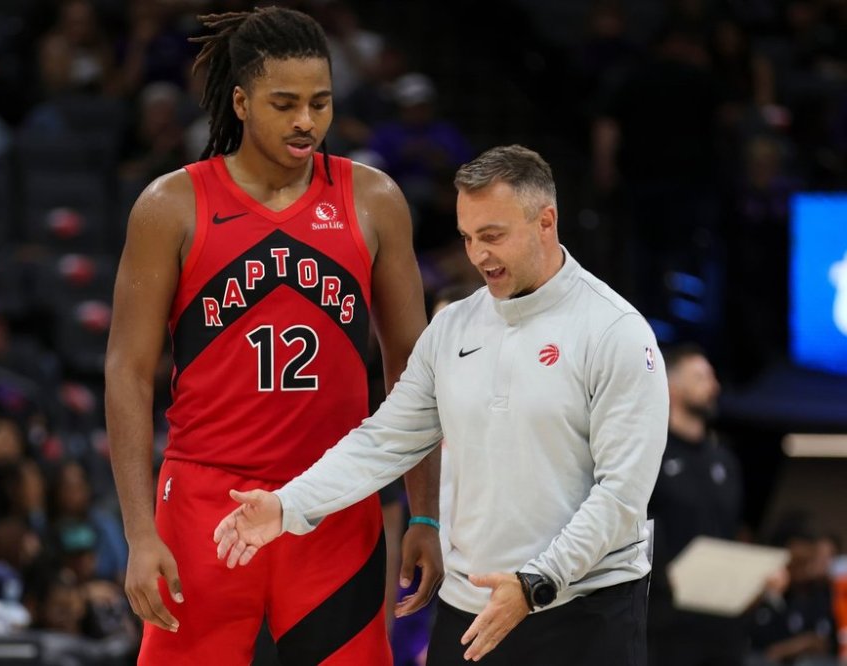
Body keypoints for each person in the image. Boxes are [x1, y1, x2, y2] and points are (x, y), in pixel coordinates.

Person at [215, 144, 669, 666]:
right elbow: (385, 439)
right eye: (468, 238)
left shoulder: (616, 332)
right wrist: (288, 505)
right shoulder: (452, 328)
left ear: (546, 222)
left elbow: (622, 497)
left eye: (493, 236)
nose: (478, 256)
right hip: (468, 612)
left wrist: (535, 584)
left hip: (581, 613)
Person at [104, 7, 443, 665]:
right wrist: (139, 535)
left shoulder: (373, 199)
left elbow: (414, 369)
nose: (306, 122)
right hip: (206, 500)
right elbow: (127, 371)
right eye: (284, 103)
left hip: (335, 499)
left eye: (320, 103)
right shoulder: (171, 205)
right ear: (240, 101)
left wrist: (424, 513)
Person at [647, 344, 745, 666]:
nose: (713, 386)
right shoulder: (650, 454)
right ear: (672, 386)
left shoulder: (724, 460)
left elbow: (732, 534)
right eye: (701, 377)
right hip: (667, 621)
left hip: (724, 620)